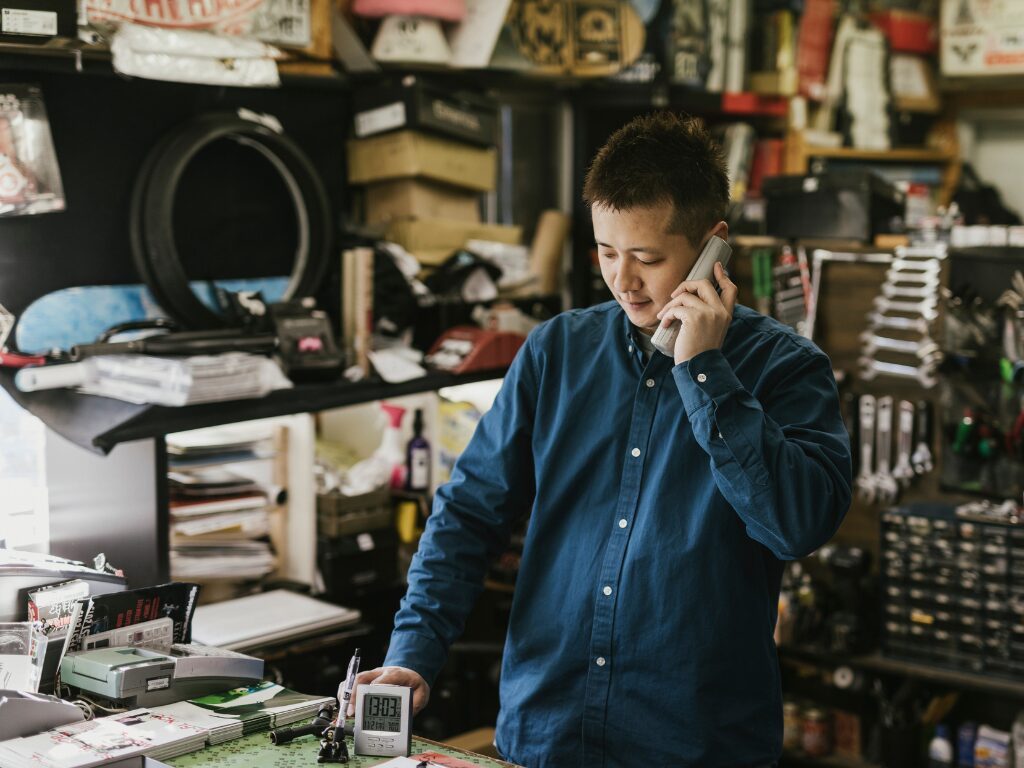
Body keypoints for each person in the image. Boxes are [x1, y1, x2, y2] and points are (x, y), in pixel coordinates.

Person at [350, 112, 853, 767]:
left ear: (712, 246)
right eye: (607, 252)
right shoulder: (555, 350)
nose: (623, 280)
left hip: (693, 743)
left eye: (647, 257)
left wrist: (705, 372)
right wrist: (412, 653)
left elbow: (796, 524)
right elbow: (470, 512)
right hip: (546, 731)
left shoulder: (786, 367)